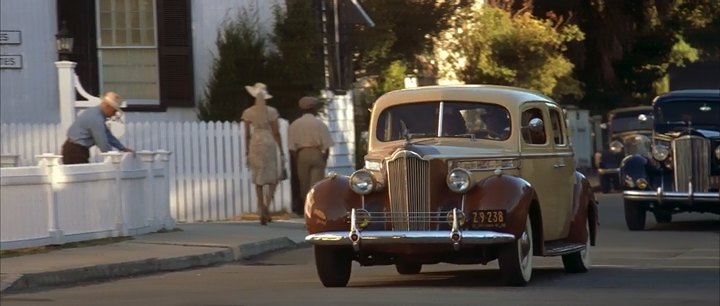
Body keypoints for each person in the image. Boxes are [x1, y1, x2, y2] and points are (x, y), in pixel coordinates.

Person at [241, 83, 284, 225]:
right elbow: (276, 132)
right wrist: (281, 150)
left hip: (255, 142)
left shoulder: (248, 112)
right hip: (268, 141)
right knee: (272, 177)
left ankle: (261, 208)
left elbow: (247, 134)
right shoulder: (272, 111)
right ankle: (267, 206)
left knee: (258, 177)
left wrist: (247, 150)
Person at [287, 96, 334, 212]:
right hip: (316, 153)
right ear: (314, 109)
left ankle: (306, 211)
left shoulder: (295, 125)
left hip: (301, 154)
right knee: (316, 185)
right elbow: (326, 146)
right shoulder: (320, 124)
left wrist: (297, 159)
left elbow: (291, 148)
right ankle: (315, 211)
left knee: (304, 186)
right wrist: (324, 160)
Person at [61, 91, 134, 164]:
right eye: (114, 110)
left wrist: (122, 148)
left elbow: (108, 135)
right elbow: (102, 141)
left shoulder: (94, 113)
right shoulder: (97, 119)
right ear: (107, 106)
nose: (114, 114)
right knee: (81, 174)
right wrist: (112, 158)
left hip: (76, 149)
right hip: (75, 151)